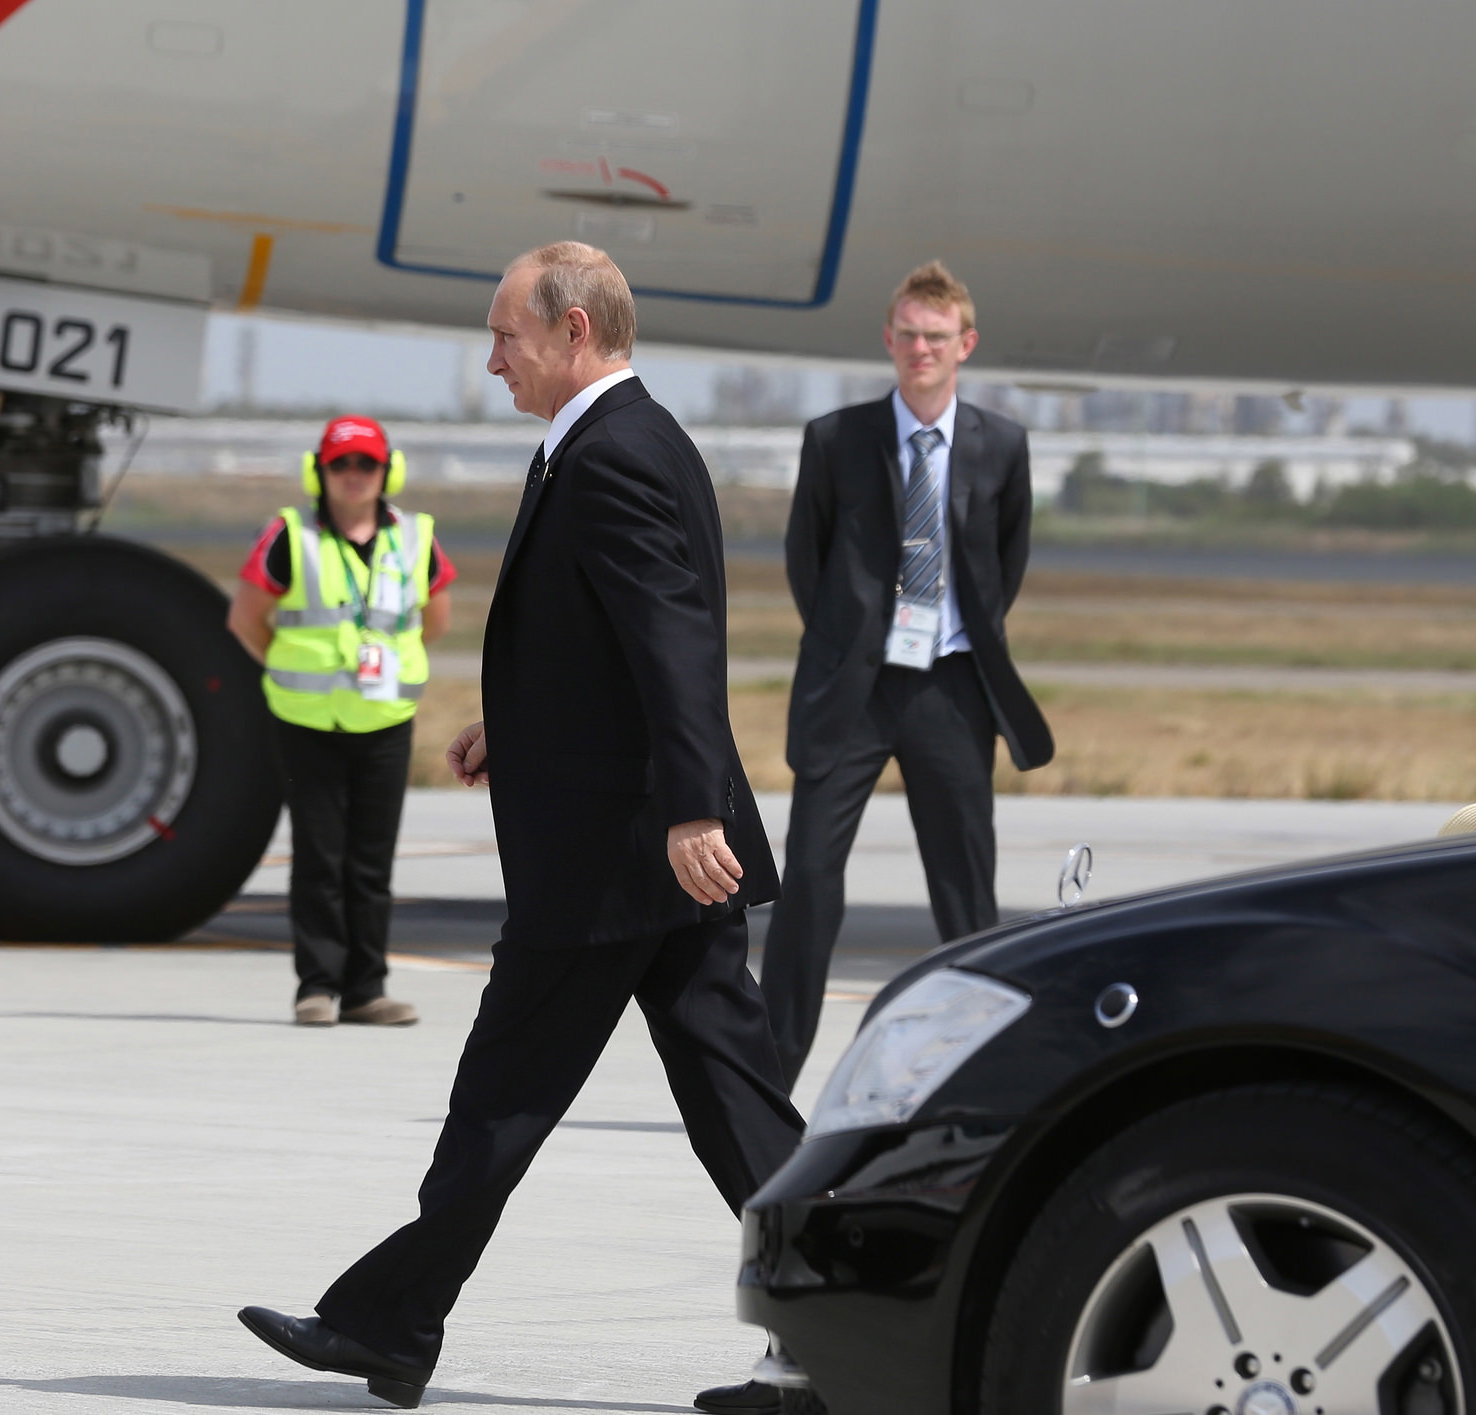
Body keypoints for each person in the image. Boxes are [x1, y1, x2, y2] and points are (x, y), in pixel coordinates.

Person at [237, 242, 805, 1409]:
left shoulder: (612, 456)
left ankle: (388, 1322)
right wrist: (522, 727)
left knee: (504, 1093)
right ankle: (848, 1329)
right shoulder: (625, 438)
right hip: (640, 838)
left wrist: (688, 808)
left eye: (506, 334)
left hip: (616, 855)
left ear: (572, 331)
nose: (492, 359)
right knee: (737, 1106)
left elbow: (674, 644)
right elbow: (611, 638)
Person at [760, 260, 1056, 1093]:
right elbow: (806, 557)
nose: (921, 348)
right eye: (908, 335)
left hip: (952, 689)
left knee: (964, 891)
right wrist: (851, 639)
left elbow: (1005, 563)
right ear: (888, 340)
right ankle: (767, 1079)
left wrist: (957, 635)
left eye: (937, 336)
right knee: (808, 878)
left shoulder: (1003, 444)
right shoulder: (835, 439)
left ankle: (984, 1074)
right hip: (853, 690)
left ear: (966, 344)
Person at [228, 416, 456, 1027]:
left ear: (388, 471)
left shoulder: (415, 537)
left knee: (371, 862)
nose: (354, 475)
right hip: (308, 721)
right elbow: (246, 619)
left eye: (367, 464)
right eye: (340, 464)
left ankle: (366, 989)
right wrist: (291, 670)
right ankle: (318, 986)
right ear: (319, 472)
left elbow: (435, 620)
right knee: (319, 857)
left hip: (384, 720)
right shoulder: (290, 535)